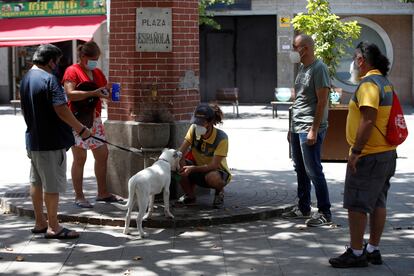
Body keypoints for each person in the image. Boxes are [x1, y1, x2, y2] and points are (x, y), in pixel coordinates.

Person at [329, 42, 397, 268]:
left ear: (361, 60)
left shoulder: (368, 84)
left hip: (368, 155)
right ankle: (372, 249)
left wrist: (356, 151)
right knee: (378, 201)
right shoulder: (384, 82)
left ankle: (357, 253)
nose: (353, 63)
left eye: (355, 57)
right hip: (386, 153)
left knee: (357, 204)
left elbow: (368, 120)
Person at [20, 44, 91, 239]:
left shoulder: (26, 78)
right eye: (57, 62)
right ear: (51, 61)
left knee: (36, 181)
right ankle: (54, 226)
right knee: (51, 185)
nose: (57, 66)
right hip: (51, 141)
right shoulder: (49, 79)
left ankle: (40, 222)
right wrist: (81, 129)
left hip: (33, 139)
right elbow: (61, 108)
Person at [282, 34, 332, 227]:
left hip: (309, 127)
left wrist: (314, 129)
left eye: (295, 47)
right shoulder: (302, 68)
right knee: (300, 168)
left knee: (314, 170)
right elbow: (299, 100)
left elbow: (322, 102)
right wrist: (290, 128)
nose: (293, 51)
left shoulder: (319, 69)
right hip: (297, 126)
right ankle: (303, 207)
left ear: (305, 48)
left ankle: (325, 212)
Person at [62, 41, 121, 208]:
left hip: (94, 119)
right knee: (80, 158)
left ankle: (102, 192)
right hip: (77, 119)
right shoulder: (72, 71)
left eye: (97, 58)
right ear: (82, 57)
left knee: (102, 154)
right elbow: (70, 94)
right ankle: (79, 196)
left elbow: (103, 90)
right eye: (92, 58)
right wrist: (93, 92)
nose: (94, 61)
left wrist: (108, 94)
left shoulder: (98, 73)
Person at [177, 103, 231, 208]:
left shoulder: (222, 138)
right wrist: (170, 159)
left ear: (210, 122)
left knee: (213, 177)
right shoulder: (193, 130)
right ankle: (190, 196)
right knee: (177, 165)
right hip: (197, 169)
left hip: (216, 172)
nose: (198, 125)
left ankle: (219, 192)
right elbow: (180, 152)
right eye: (196, 122)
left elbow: (214, 166)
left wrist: (193, 169)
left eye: (201, 123)